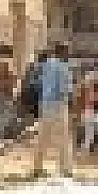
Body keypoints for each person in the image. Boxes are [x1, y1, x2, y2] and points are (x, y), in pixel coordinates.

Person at [33, 43, 74, 178]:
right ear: (62, 52)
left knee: (43, 136)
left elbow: (39, 83)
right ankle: (65, 168)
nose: (68, 54)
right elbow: (64, 89)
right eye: (67, 51)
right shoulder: (64, 67)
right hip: (59, 104)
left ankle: (37, 167)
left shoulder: (45, 65)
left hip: (45, 103)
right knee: (64, 137)